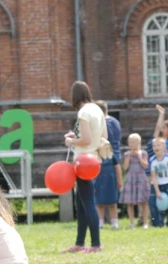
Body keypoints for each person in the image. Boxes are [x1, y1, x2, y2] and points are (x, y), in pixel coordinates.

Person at [61, 81, 105, 253]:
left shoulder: (83, 112)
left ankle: (95, 244)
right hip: (94, 159)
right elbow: (103, 135)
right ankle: (79, 243)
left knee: (87, 202)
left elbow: (85, 139)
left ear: (75, 96)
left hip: (84, 161)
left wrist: (71, 140)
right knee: (81, 203)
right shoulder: (97, 109)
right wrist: (77, 135)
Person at [94, 100, 122, 228]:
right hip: (115, 155)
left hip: (106, 155)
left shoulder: (102, 123)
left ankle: (107, 220)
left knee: (109, 194)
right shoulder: (116, 121)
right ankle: (105, 220)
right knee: (105, 193)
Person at [119, 133, 150, 229]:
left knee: (143, 201)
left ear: (138, 143)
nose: (131, 144)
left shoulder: (144, 153)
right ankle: (131, 223)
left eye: (133, 142)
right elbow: (125, 167)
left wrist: (139, 156)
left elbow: (145, 166)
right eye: (130, 142)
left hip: (141, 178)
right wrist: (128, 157)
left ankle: (145, 222)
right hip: (130, 178)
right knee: (130, 202)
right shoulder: (126, 154)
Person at [149, 138, 168, 227]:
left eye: (158, 145)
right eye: (154, 146)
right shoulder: (152, 161)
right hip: (157, 185)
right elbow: (153, 176)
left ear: (164, 147)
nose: (156, 147)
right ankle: (157, 224)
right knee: (152, 203)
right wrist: (157, 191)